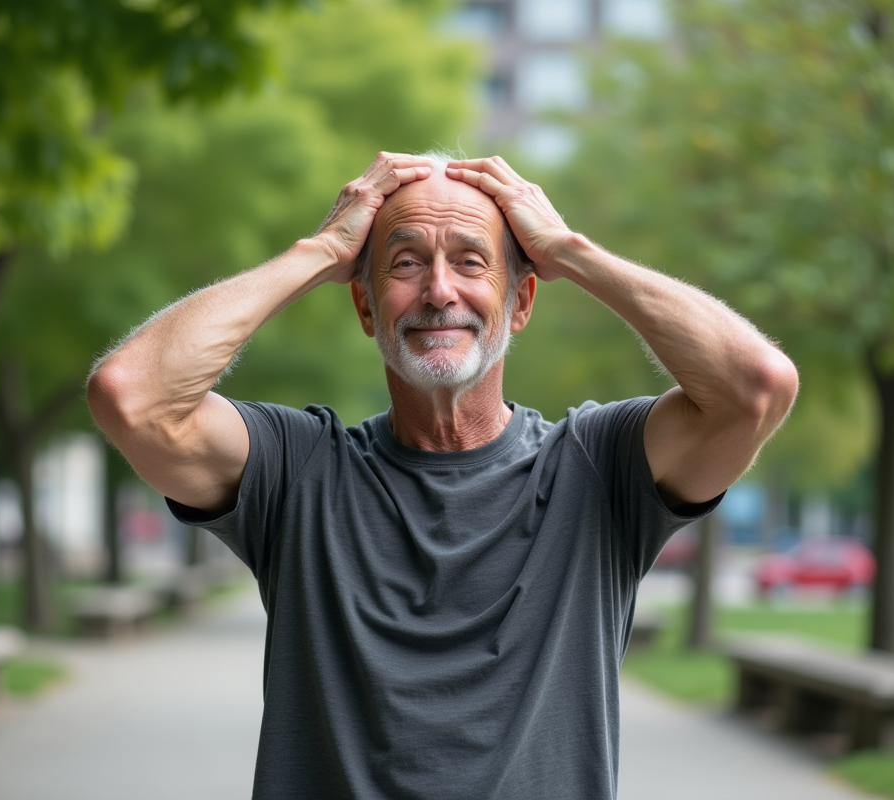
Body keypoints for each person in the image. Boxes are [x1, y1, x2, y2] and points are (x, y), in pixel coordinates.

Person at [87, 152, 799, 799]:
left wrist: (567, 251)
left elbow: (755, 388)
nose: (438, 290)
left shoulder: (598, 467)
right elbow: (132, 396)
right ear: (365, 306)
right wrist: (322, 251)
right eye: (404, 264)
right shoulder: (297, 472)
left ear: (521, 303)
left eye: (470, 262)